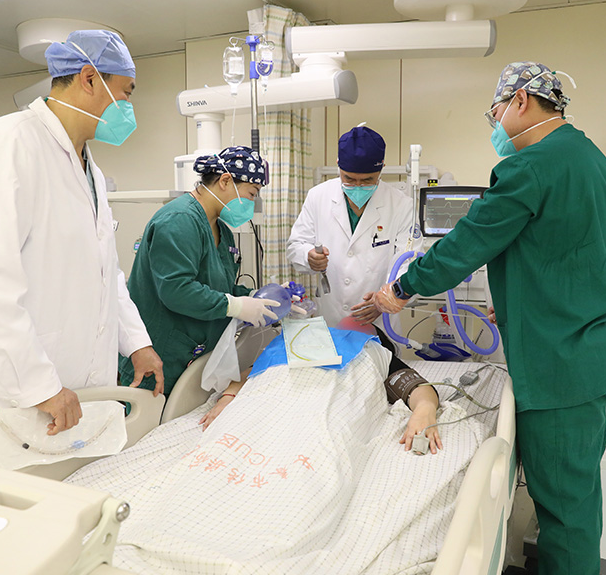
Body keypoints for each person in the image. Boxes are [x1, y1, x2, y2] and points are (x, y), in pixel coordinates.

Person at [374, 61, 606, 575]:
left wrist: (402, 288)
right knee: (577, 498)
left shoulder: (529, 166)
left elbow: (466, 244)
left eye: (493, 113)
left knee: (565, 514)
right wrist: (522, 299)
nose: (494, 125)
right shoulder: (594, 161)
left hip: (558, 366)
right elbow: (596, 258)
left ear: (520, 101)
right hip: (588, 349)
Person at [0, 30, 164, 463]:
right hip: (6, 393)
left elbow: (105, 273)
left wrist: (137, 343)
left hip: (68, 393)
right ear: (90, 79)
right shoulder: (11, 142)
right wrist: (39, 385)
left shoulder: (90, 171)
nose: (128, 107)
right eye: (126, 93)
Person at [117, 146, 281, 396]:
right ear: (225, 181)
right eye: (251, 194)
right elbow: (176, 290)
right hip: (161, 356)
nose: (250, 204)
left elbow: (220, 287)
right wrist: (235, 306)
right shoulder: (179, 220)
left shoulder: (221, 229)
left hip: (194, 356)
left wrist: (260, 297)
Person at [199, 316, 443, 454]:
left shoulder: (374, 352)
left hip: (323, 407)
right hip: (273, 398)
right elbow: (253, 373)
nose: (343, 324)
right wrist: (227, 398)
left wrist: (424, 410)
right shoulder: (293, 343)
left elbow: (416, 388)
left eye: (359, 324)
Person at [286, 125, 413, 331]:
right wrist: (308, 256)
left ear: (381, 169)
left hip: (379, 322)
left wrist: (388, 298)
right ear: (338, 166)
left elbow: (409, 261)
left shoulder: (401, 205)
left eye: (367, 180)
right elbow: (295, 246)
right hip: (331, 314)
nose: (358, 186)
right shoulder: (318, 196)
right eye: (349, 179)